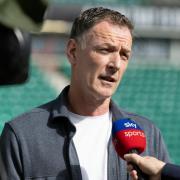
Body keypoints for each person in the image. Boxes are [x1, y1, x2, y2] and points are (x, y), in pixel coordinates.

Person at [0, 7, 171, 180]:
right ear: (73, 52)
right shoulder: (22, 134)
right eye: (105, 50)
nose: (116, 64)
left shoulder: (149, 133)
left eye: (124, 54)